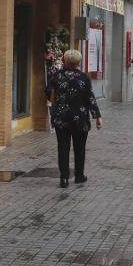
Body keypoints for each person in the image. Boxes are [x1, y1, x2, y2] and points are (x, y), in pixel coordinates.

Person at [49, 50, 103, 188]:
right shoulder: (84, 78)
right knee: (80, 148)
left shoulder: (57, 76)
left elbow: (48, 92)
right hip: (80, 118)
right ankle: (79, 176)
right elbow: (90, 98)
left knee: (63, 148)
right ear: (79, 62)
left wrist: (55, 105)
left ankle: (64, 178)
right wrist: (97, 116)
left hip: (62, 118)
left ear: (65, 61)